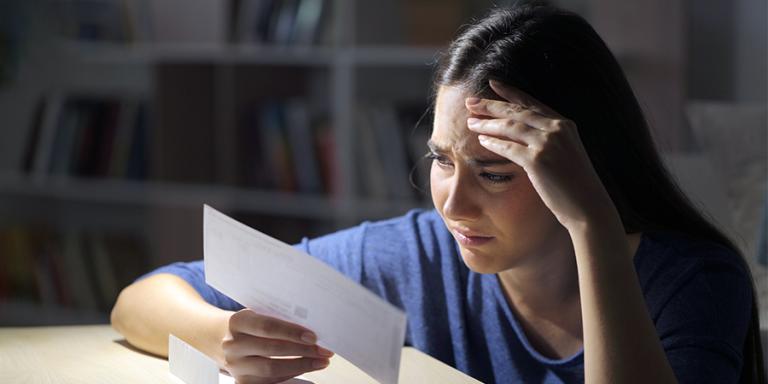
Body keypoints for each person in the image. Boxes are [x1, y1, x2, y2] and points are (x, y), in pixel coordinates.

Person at [110, 3, 764, 383]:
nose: (452, 203)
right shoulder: (416, 257)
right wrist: (223, 334)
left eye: (496, 172)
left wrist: (592, 224)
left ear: (582, 170)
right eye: (442, 160)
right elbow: (142, 299)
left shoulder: (692, 283)